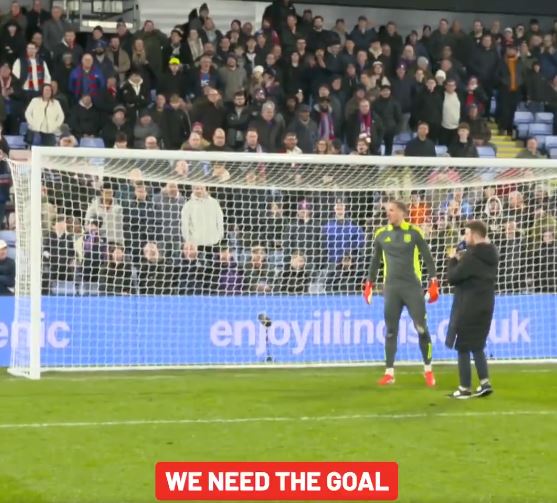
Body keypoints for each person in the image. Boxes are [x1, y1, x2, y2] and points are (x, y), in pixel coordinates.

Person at [363, 200, 439, 386]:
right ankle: (389, 372)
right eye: (387, 210)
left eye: (392, 210)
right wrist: (369, 284)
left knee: (421, 328)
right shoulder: (381, 234)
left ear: (403, 213)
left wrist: (434, 281)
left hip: (412, 287)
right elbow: (375, 261)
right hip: (391, 288)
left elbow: (428, 257)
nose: (388, 213)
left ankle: (428, 369)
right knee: (390, 331)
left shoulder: (414, 232)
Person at [445, 220, 498, 399]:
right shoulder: (492, 253)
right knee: (477, 345)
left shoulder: (472, 256)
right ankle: (485, 383)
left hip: (470, 305)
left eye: (466, 234)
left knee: (463, 347)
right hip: (487, 304)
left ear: (475, 236)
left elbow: (452, 277)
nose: (464, 237)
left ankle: (464, 388)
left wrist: (452, 259)